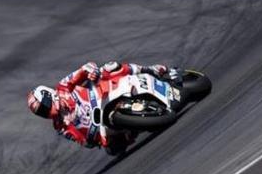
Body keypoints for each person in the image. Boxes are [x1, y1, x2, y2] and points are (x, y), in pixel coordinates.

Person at [27, 61, 173, 154]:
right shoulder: (60, 126)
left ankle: (150, 70)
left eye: (43, 108)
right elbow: (80, 139)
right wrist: (93, 141)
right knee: (113, 149)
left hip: (102, 94)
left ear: (48, 96)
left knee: (111, 67)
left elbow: (84, 68)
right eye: (41, 113)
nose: (45, 113)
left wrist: (92, 71)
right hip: (101, 125)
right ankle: (137, 125)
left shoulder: (63, 87)